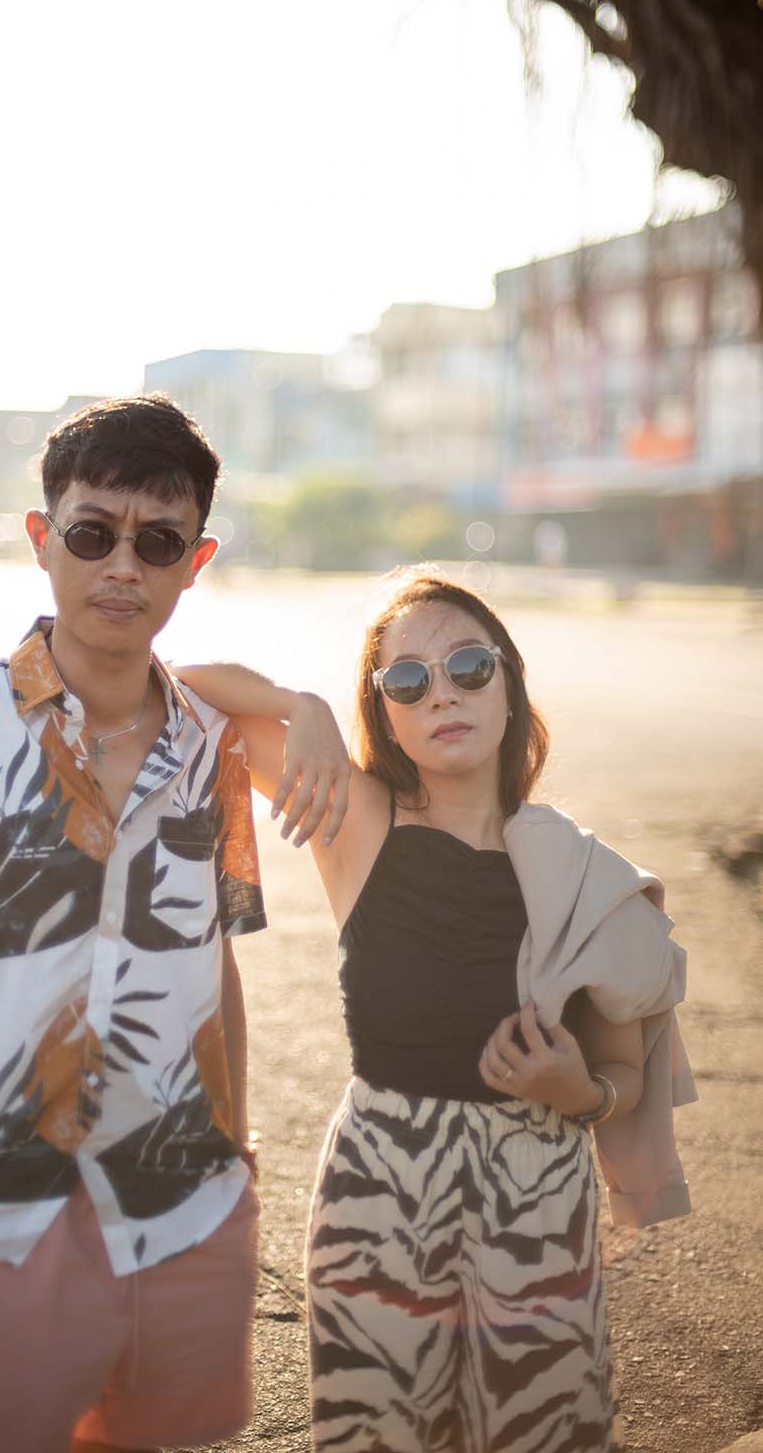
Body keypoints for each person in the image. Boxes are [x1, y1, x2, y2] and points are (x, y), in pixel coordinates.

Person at [0, 395, 345, 1453]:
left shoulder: (212, 743)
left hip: (185, 1201)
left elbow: (213, 957)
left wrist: (236, 1153)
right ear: (42, 538)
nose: (123, 566)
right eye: (91, 533)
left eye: (157, 542)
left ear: (194, 562)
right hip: (1, 1205)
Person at [175, 566, 696, 1453]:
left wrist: (578, 1091)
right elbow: (174, 683)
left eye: (468, 666)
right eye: (408, 679)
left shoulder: (585, 875)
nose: (442, 693)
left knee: (545, 1437)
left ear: (509, 683)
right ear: (384, 712)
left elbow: (619, 1074)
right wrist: (302, 706)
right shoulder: (356, 820)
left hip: (538, 1199)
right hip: (379, 1190)